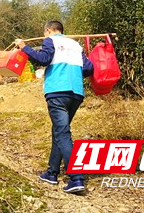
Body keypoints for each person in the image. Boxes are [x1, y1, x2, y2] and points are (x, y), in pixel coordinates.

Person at [15, 20, 93, 194]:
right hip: (76, 94)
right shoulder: (75, 44)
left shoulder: (51, 41)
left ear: (48, 31)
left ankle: (76, 178)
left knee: (63, 133)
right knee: (59, 131)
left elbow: (43, 58)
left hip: (58, 91)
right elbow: (88, 68)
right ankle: (52, 173)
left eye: (45, 34)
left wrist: (23, 47)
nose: (44, 37)